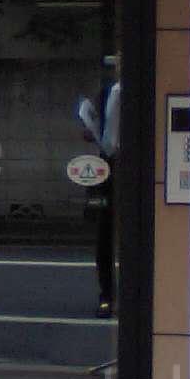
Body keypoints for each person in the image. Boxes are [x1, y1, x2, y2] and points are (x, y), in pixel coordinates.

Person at [77, 74, 120, 318]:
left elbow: (109, 141)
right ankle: (108, 295)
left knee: (109, 236)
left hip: (117, 167)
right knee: (106, 235)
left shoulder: (120, 91)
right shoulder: (108, 92)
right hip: (110, 168)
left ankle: (110, 296)